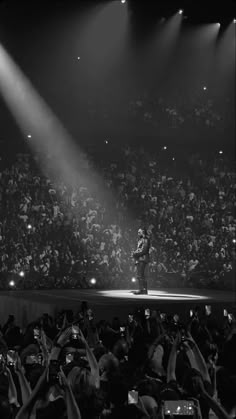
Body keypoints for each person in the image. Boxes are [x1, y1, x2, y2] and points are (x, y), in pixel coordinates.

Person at [132, 228, 150, 295]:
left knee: (140, 275)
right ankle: (143, 290)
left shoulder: (145, 239)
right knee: (141, 275)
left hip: (142, 259)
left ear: (143, 232)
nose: (138, 234)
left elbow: (144, 250)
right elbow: (141, 249)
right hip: (141, 258)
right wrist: (135, 253)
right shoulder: (142, 239)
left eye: (139, 232)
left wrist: (135, 253)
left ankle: (142, 290)